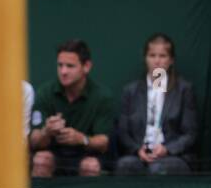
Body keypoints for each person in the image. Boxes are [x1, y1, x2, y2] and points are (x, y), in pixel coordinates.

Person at [114, 33, 199, 176]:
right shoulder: (130, 91)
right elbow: (123, 131)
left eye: (162, 56)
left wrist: (167, 149)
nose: (157, 61)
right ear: (145, 59)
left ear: (171, 60)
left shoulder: (184, 90)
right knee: (125, 165)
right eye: (152, 56)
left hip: (173, 156)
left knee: (158, 169)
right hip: (138, 155)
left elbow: (190, 133)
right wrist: (138, 150)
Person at [29, 39, 114, 178]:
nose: (63, 71)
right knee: (41, 160)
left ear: (86, 66)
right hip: (54, 155)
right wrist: (47, 132)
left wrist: (82, 139)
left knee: (90, 166)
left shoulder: (102, 96)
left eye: (70, 66)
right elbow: (34, 140)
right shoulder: (45, 92)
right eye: (60, 65)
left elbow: (103, 142)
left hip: (85, 156)